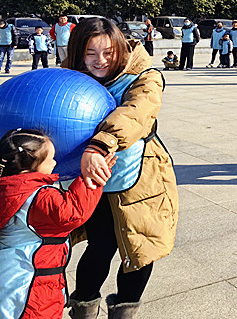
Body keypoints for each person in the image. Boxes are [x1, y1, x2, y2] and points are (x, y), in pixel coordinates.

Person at [61, 17, 178, 317]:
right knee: (100, 245)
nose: (99, 61)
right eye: (90, 53)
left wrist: (100, 144)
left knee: (140, 248)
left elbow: (136, 113)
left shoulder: (144, 76)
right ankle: (83, 309)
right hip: (92, 178)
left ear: (120, 48)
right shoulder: (68, 77)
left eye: (107, 52)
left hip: (140, 175)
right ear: (77, 52)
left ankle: (124, 312)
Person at [0, 129, 110, 319]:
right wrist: (91, 180)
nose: (55, 162)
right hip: (27, 297)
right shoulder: (40, 199)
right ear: (28, 169)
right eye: (50, 158)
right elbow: (73, 212)